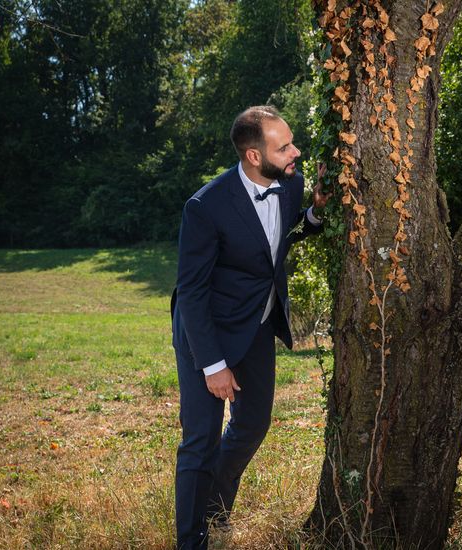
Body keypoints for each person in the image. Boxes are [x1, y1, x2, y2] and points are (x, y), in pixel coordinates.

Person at [170, 105, 329, 549]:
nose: (296, 151)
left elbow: (279, 237)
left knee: (254, 422)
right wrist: (214, 365)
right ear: (254, 156)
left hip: (257, 322)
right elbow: (193, 292)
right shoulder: (205, 207)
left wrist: (314, 214)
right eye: (285, 146)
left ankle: (215, 506)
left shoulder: (291, 183)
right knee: (200, 441)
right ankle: (192, 540)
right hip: (207, 331)